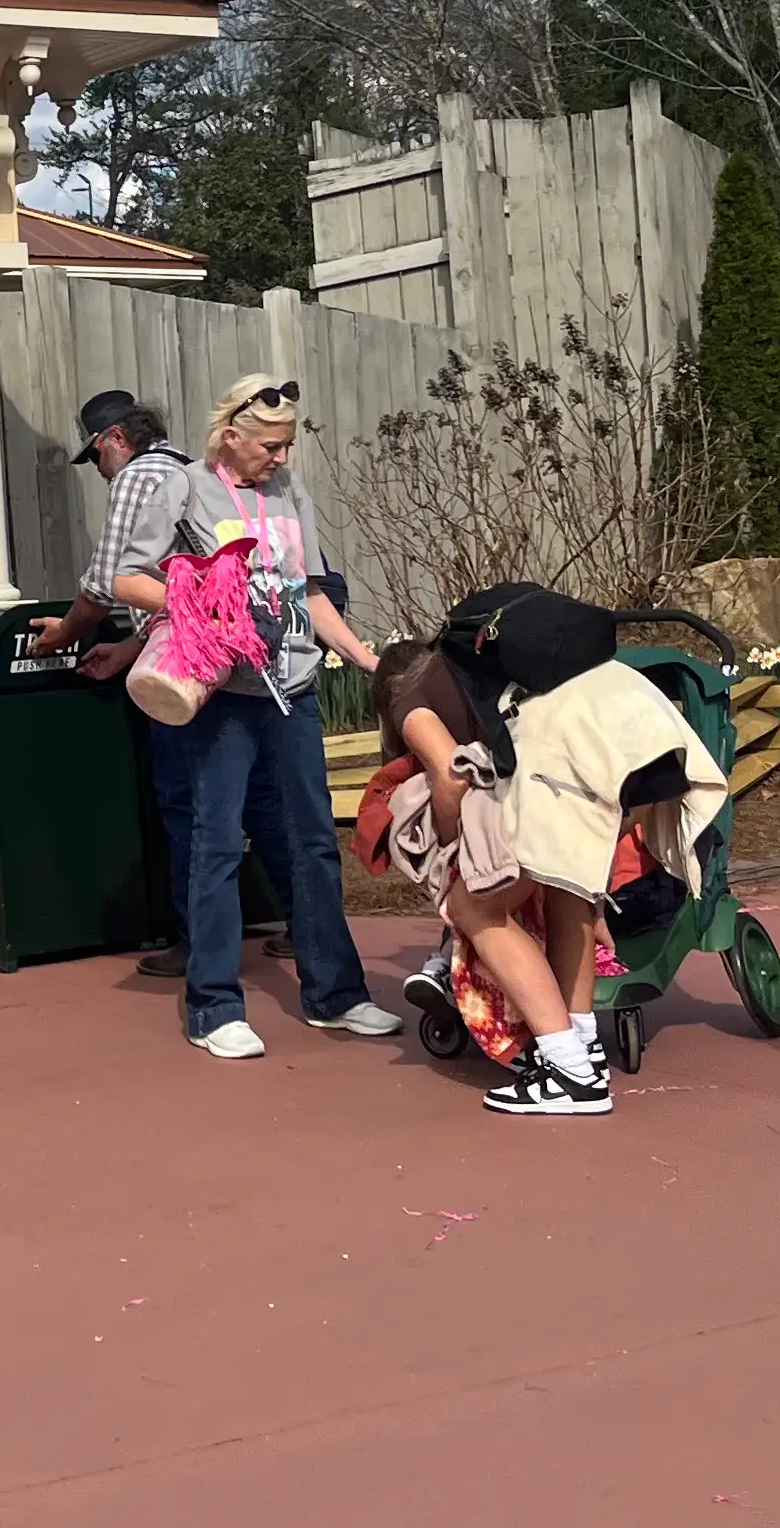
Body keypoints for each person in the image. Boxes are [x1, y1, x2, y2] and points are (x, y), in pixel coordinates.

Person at [166, 376, 395, 1056]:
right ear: (231, 436)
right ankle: (213, 1007)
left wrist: (362, 656)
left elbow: (310, 588)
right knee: (216, 843)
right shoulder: (187, 489)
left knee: (314, 840)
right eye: (270, 445)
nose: (280, 458)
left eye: (287, 445)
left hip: (292, 687)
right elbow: (133, 577)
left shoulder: (290, 492)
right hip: (223, 694)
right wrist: (198, 604)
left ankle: (336, 993)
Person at [365, 640, 609, 1115]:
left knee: (472, 904)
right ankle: (585, 1049)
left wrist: (447, 832)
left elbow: (451, 775)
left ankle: (570, 1071)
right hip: (585, 789)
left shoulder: (409, 694)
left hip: (528, 807)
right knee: (565, 892)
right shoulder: (485, 674)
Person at [26, 390, 185, 977]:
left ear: (114, 439)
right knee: (252, 799)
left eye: (94, 458)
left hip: (179, 666)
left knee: (183, 800)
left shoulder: (137, 478)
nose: (99, 471)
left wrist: (64, 632)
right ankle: (298, 930)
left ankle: (193, 937)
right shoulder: (190, 471)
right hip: (210, 654)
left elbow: (106, 580)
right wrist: (125, 649)